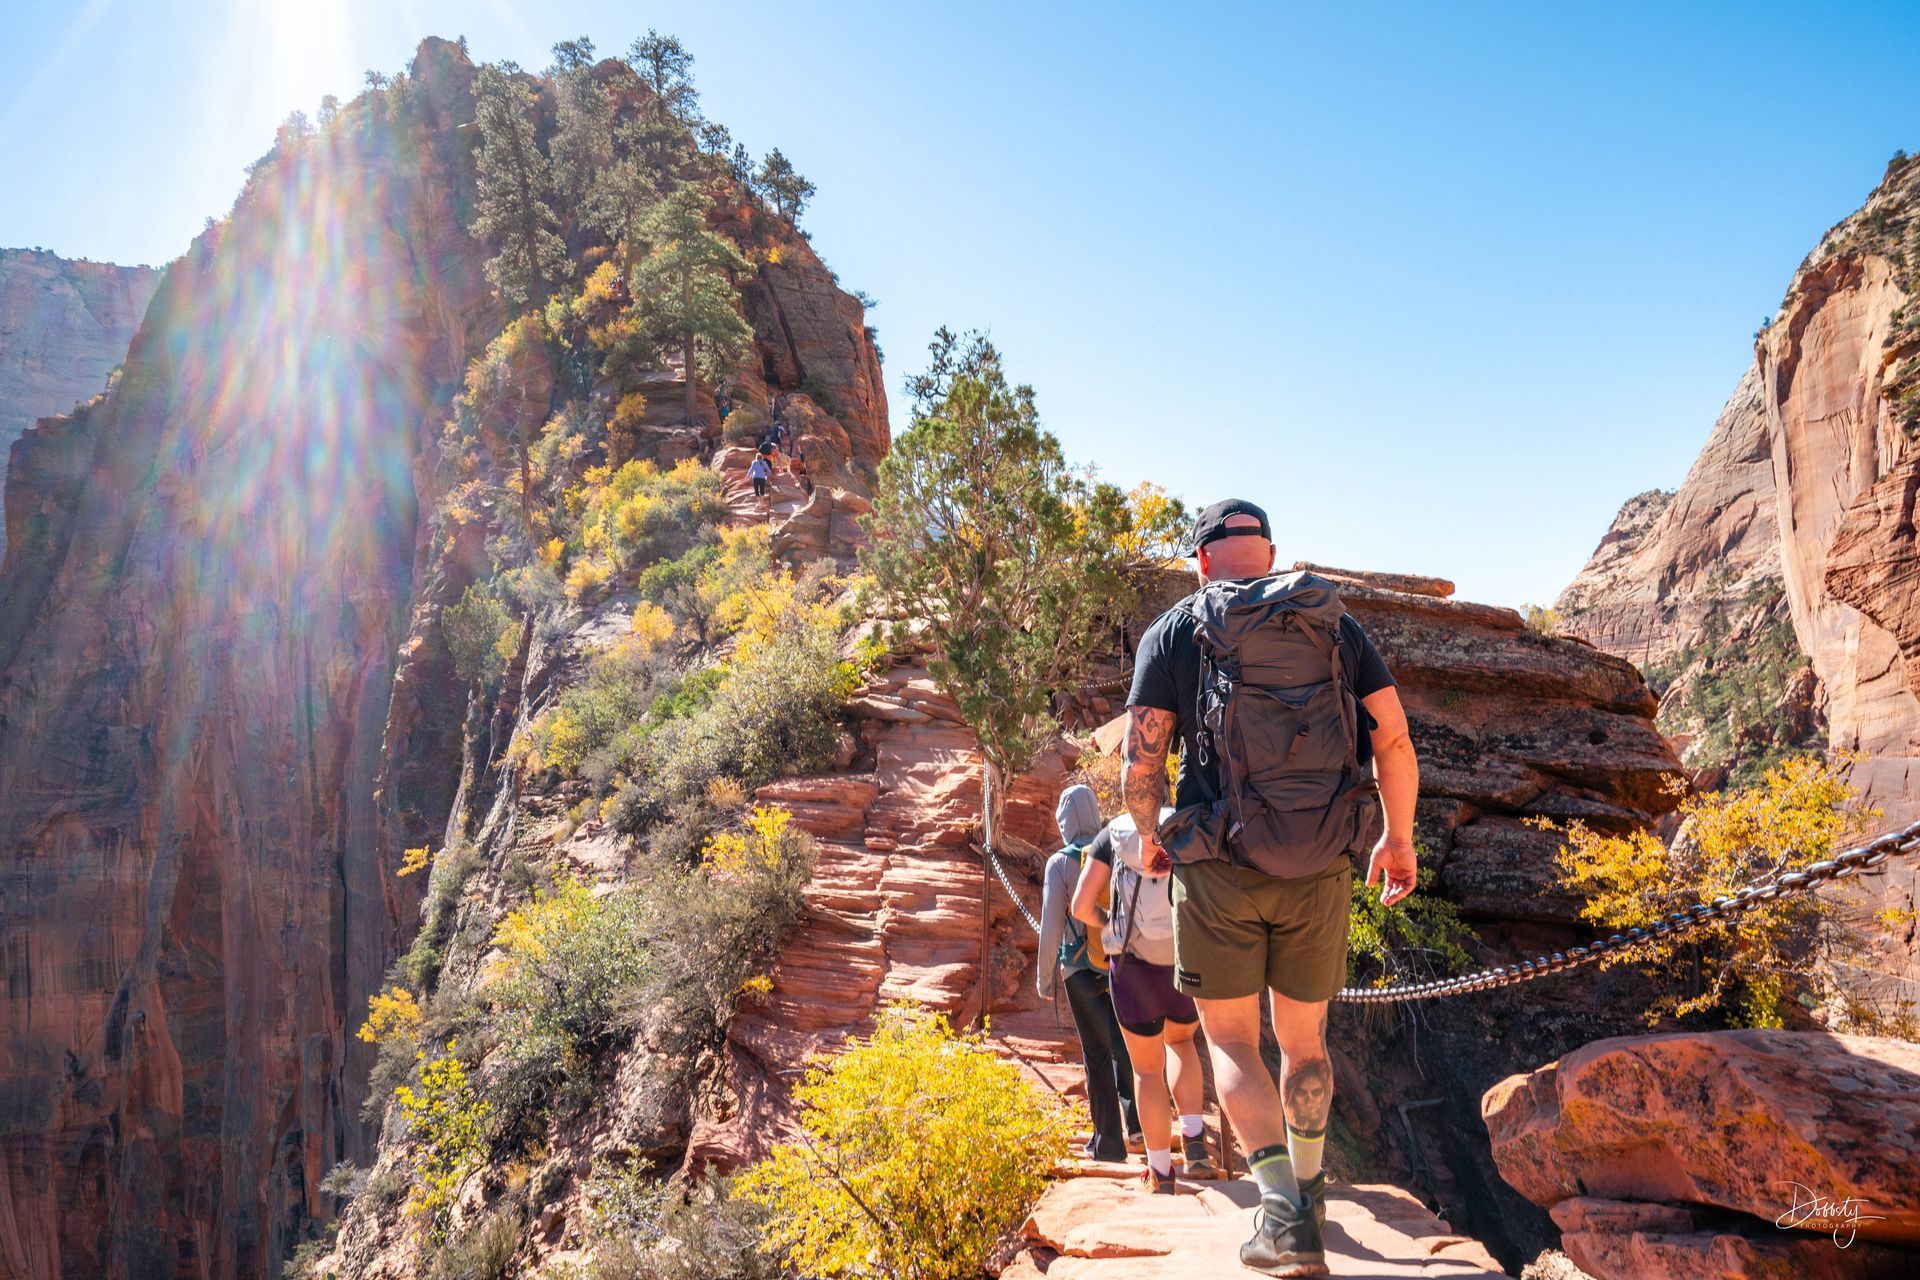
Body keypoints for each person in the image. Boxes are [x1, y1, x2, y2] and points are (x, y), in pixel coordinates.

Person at [1122, 498, 1419, 1275]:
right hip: (1320, 859)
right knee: (1304, 1043)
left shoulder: (1176, 630)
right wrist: (1398, 836)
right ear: (1273, 552)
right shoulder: (1332, 624)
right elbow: (1391, 735)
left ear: (1202, 560)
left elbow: (1141, 763)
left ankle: (1282, 1218)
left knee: (1228, 1040)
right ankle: (1312, 1192)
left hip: (1219, 867)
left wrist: (1152, 840)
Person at [1071, 808, 1216, 1194]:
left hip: (1134, 967)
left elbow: (1080, 906)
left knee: (1148, 1069)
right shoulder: (1188, 823)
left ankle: (1161, 1173)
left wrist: (1112, 922)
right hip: (1187, 960)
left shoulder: (1112, 836)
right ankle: (1196, 1145)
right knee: (1182, 1044)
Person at [1036, 785, 1142, 1163]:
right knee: (1126, 1046)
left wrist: (1044, 979)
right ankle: (1139, 1127)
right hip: (1117, 962)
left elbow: (1050, 926)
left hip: (1078, 970)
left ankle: (1108, 1144)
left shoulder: (1058, 864)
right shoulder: (1113, 849)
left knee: (1096, 1055)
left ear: (1063, 821)